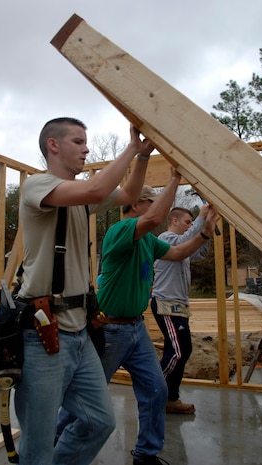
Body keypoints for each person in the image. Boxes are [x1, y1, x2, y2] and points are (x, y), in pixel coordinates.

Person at [14, 116, 154, 465]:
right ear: (54, 145)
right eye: (78, 141)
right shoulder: (36, 187)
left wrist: (143, 158)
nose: (87, 148)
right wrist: (131, 147)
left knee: (99, 421)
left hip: (79, 329)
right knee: (38, 441)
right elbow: (94, 189)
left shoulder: (82, 200)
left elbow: (129, 195)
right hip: (44, 331)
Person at [96, 173, 218, 465]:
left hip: (135, 328)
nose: (157, 210)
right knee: (89, 393)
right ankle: (56, 444)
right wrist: (175, 178)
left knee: (155, 389)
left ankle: (146, 454)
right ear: (138, 205)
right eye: (152, 202)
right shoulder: (120, 231)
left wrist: (203, 233)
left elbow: (177, 253)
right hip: (111, 329)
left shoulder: (149, 241)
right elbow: (154, 219)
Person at [151, 205, 212, 415]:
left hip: (178, 306)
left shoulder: (183, 248)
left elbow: (200, 250)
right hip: (166, 303)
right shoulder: (165, 239)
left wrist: (208, 226)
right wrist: (202, 216)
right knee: (177, 351)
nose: (190, 225)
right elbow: (184, 242)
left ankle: (171, 398)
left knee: (182, 351)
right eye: (188, 221)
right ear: (175, 221)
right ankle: (154, 391)